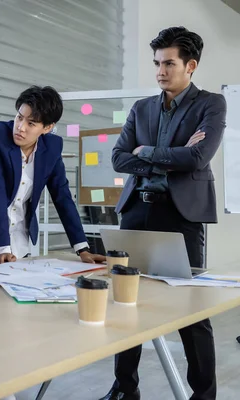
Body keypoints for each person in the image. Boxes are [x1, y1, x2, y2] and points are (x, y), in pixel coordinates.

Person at [102, 27, 226, 400]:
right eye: (156, 63)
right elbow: (118, 157)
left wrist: (146, 152)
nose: (160, 71)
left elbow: (198, 157)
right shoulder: (142, 108)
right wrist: (166, 155)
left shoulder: (211, 105)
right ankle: (125, 389)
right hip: (136, 211)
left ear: (190, 65)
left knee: (191, 309)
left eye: (168, 63)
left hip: (181, 216)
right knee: (126, 301)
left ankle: (204, 396)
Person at [0, 86, 105, 265]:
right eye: (19, 117)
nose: (20, 128)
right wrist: (3, 249)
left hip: (19, 241)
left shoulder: (51, 147)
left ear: (47, 127)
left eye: (31, 123)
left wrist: (82, 249)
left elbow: (62, 196)